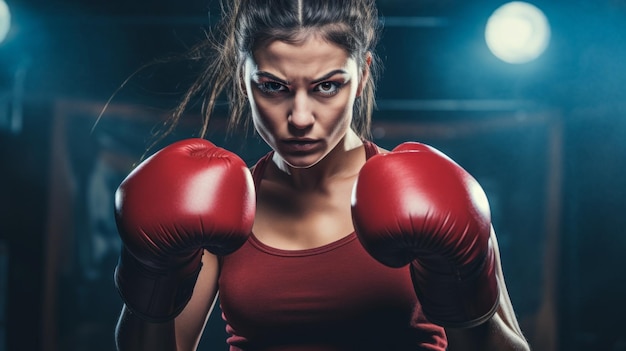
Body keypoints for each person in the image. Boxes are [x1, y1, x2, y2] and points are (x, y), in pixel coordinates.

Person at [112, 0, 531, 350]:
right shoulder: (216, 202)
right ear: (244, 80)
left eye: (326, 86)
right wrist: (148, 274)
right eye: (273, 86)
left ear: (362, 75)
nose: (299, 118)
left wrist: (465, 300)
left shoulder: (432, 189)